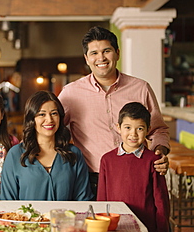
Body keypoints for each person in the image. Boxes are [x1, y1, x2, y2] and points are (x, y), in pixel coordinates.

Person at [58, 26, 170, 199]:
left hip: (138, 176)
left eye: (106, 51)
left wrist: (159, 152)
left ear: (117, 53)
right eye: (94, 53)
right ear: (86, 58)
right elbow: (52, 128)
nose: (101, 58)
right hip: (91, 180)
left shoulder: (141, 88)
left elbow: (158, 129)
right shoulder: (71, 93)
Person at [97, 102, 189, 232]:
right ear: (118, 128)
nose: (133, 134)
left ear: (147, 131)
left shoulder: (153, 161)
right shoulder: (107, 160)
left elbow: (161, 204)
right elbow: (102, 202)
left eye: (140, 129)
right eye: (128, 127)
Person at [0, 90, 93, 201]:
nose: (49, 120)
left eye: (54, 113)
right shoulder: (15, 155)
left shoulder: (74, 154)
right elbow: (7, 202)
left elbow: (84, 201)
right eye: (41, 114)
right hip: (25, 218)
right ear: (32, 119)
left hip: (65, 218)